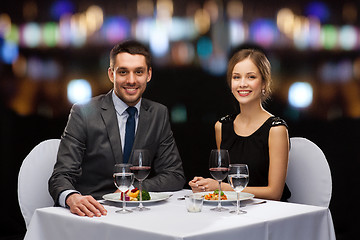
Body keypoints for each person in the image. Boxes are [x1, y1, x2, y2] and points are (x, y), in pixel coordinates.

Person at [49, 40, 186, 217]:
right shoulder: (83, 112)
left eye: (139, 72)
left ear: (148, 75)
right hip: (94, 213)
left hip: (141, 213)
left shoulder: (158, 113)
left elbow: (174, 175)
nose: (131, 80)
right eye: (123, 72)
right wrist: (72, 197)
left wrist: (133, 190)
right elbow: (60, 176)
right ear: (111, 74)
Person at [189, 48, 291, 201]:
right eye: (236, 77)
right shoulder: (221, 127)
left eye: (251, 77)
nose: (242, 84)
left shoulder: (276, 129)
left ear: (264, 83)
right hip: (232, 211)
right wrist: (204, 186)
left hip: (268, 213)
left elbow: (274, 193)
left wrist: (219, 187)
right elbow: (223, 181)